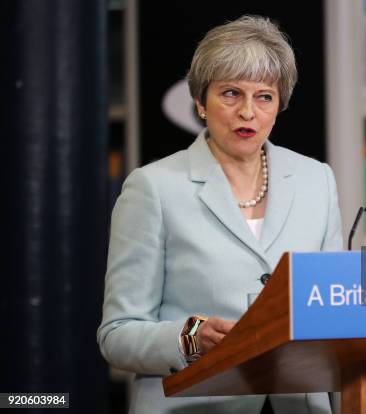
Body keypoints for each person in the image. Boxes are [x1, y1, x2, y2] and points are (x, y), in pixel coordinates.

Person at [96, 15, 343, 414]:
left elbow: (333, 308)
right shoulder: (153, 187)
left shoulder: (317, 180)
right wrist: (192, 336)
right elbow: (117, 335)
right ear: (200, 102)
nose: (248, 111)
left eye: (264, 96)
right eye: (231, 93)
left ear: (279, 105)